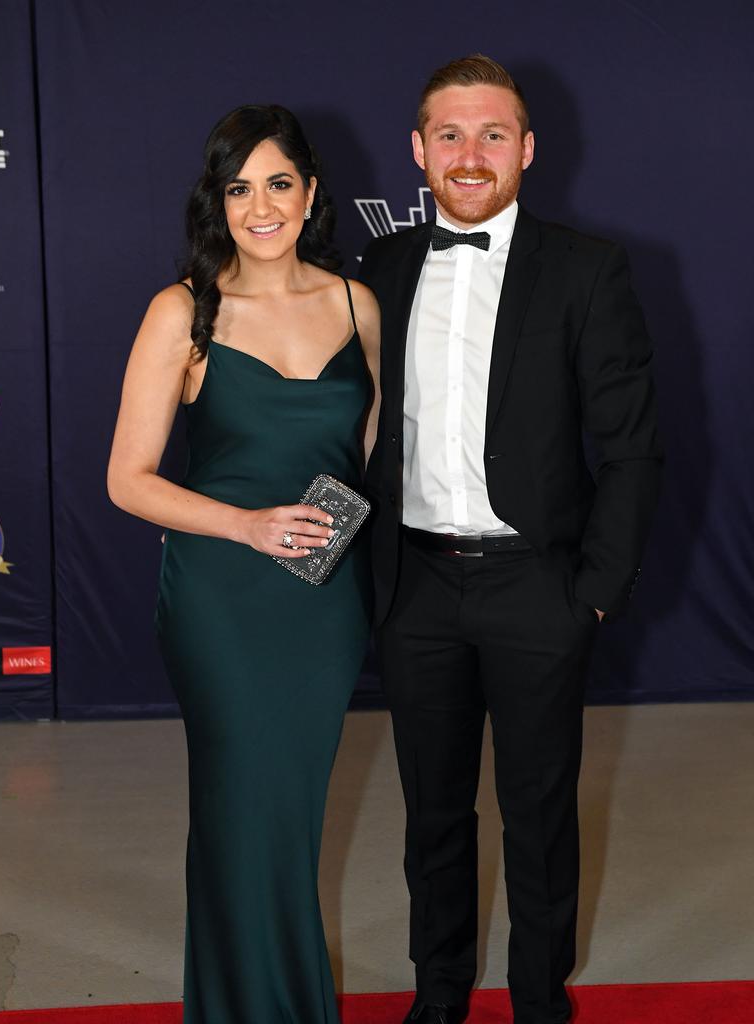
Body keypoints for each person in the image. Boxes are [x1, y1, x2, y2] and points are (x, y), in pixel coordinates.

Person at [359, 55, 662, 1024]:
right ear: (417, 150)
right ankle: (438, 995)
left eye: (493, 133)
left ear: (527, 149)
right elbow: (353, 428)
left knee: (538, 819)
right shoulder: (381, 269)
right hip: (415, 589)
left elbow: (631, 447)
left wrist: (595, 590)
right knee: (433, 817)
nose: (471, 153)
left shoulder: (586, 268)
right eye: (449, 133)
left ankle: (541, 1001)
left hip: (539, 585)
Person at [107, 104, 379, 1023]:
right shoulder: (183, 309)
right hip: (223, 598)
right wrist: (248, 526)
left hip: (323, 604)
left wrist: (340, 523)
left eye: (278, 183)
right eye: (238, 187)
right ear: (215, 202)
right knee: (238, 814)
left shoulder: (356, 304)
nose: (259, 207)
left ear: (310, 193)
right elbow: (128, 480)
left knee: (290, 821)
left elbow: (371, 451)